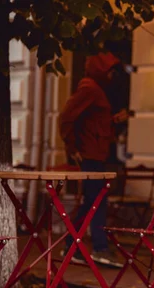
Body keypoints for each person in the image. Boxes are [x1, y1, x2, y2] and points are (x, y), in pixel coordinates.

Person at [59, 52, 125, 266]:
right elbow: (67, 117)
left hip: (95, 153)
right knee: (97, 202)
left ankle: (71, 245)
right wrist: (73, 148)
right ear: (101, 69)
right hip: (90, 155)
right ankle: (99, 248)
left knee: (93, 202)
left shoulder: (96, 90)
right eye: (110, 70)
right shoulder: (89, 88)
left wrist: (113, 121)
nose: (113, 75)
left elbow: (94, 123)